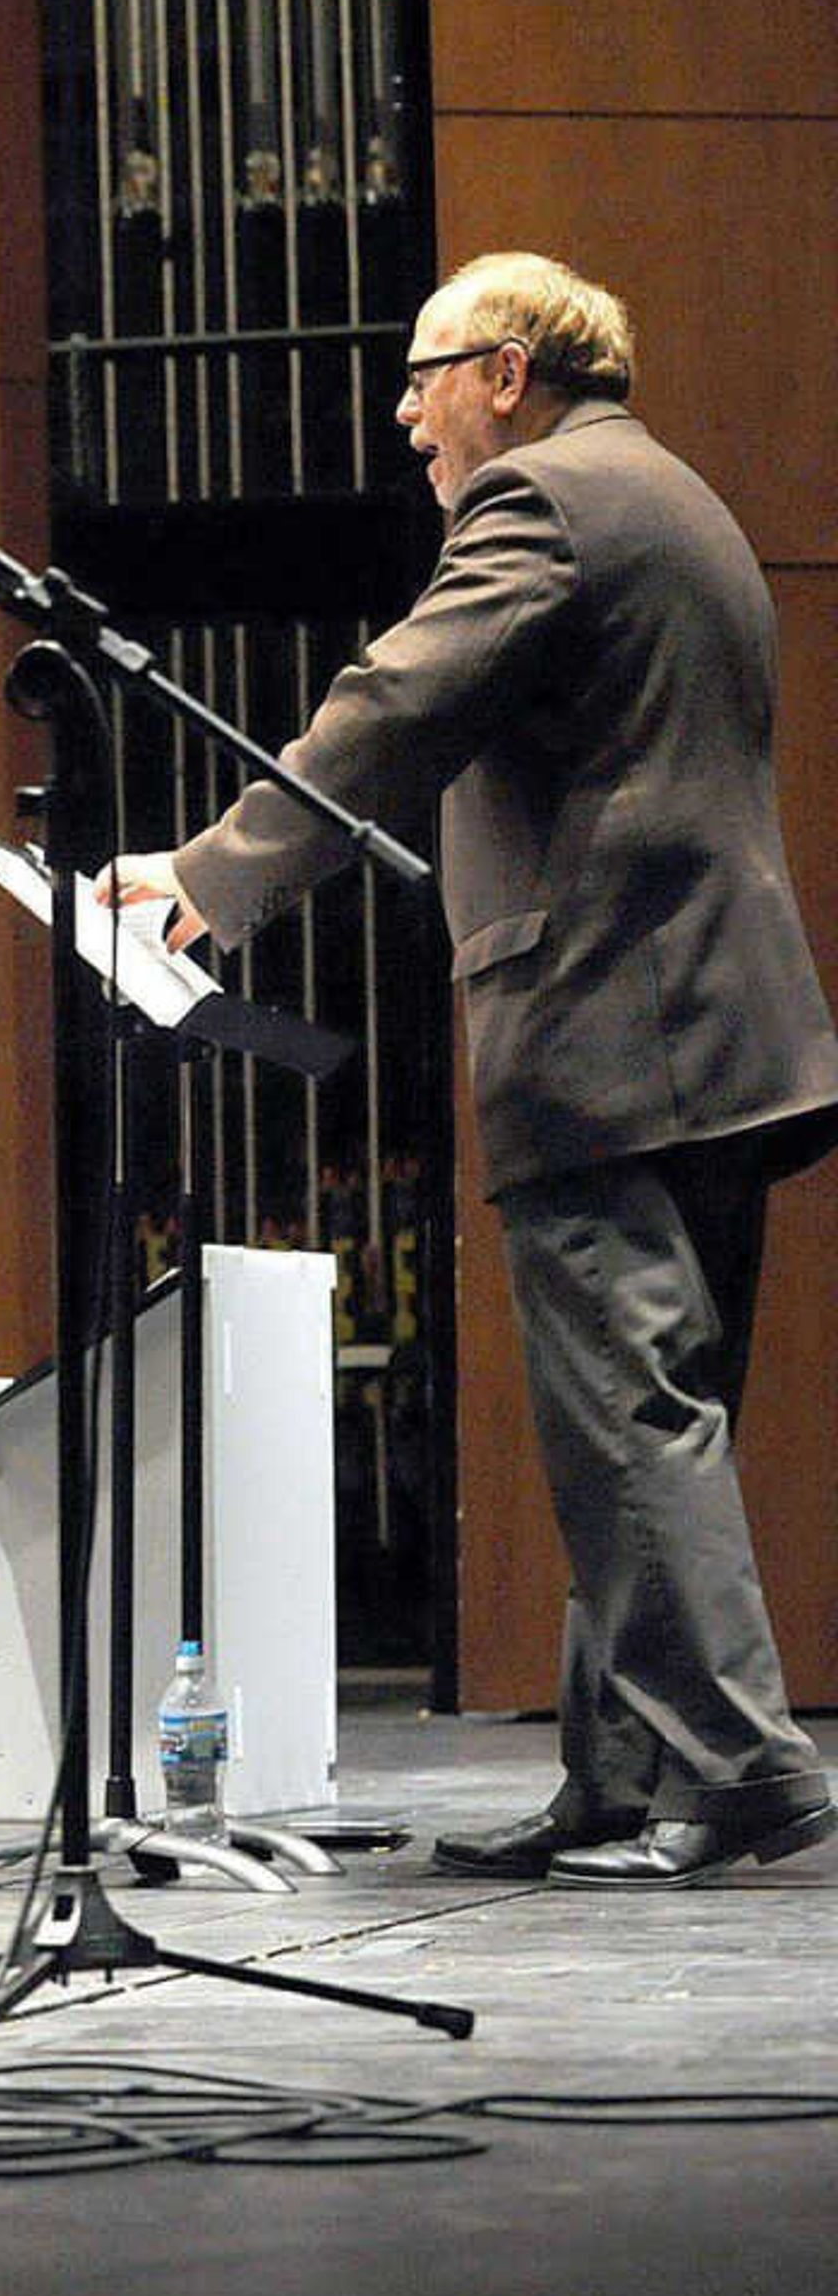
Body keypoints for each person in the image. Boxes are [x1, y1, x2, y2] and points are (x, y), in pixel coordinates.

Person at [103, 251, 838, 1889]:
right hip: (718, 1026)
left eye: (425, 376)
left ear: (506, 372)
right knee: (653, 1409)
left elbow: (396, 700)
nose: (409, 415)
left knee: (629, 1415)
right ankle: (625, 1773)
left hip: (605, 1019)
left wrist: (215, 871)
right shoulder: (680, 501)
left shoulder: (543, 503)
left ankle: (735, 1767)